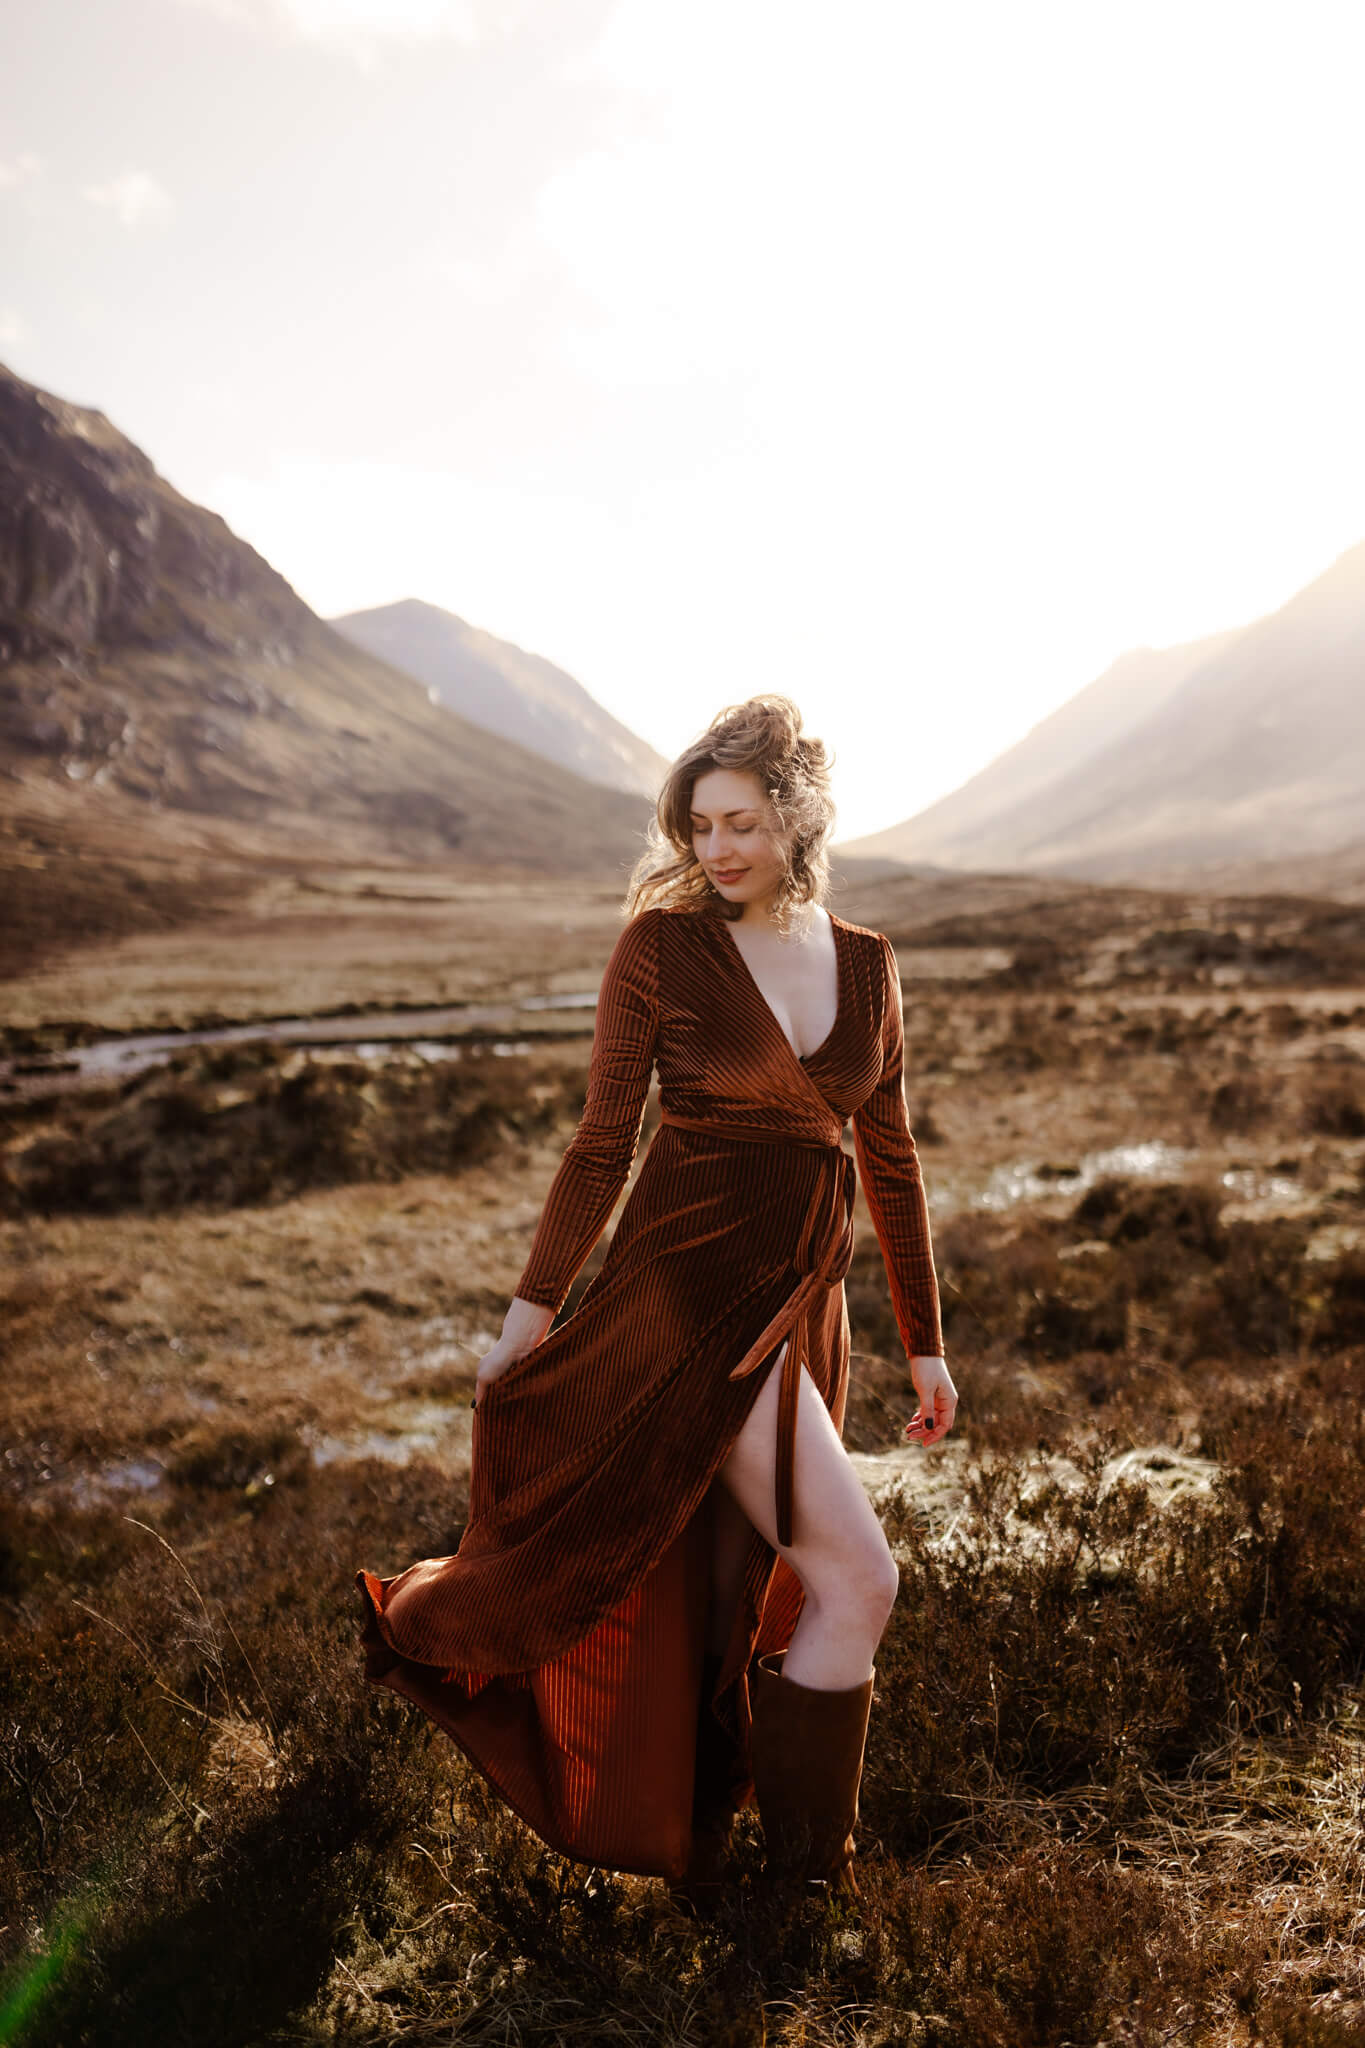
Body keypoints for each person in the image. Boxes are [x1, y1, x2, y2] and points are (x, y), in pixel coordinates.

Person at [356, 694, 956, 1909]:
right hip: (686, 1310)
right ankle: (805, 1896)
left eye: (741, 822)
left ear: (797, 818)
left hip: (804, 1310)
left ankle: (732, 1868)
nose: (716, 848)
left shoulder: (868, 963)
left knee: (726, 1594)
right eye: (699, 825)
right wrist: (529, 1317)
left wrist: (928, 1346)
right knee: (860, 1578)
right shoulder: (663, 950)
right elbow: (600, 1145)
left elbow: (889, 1156)